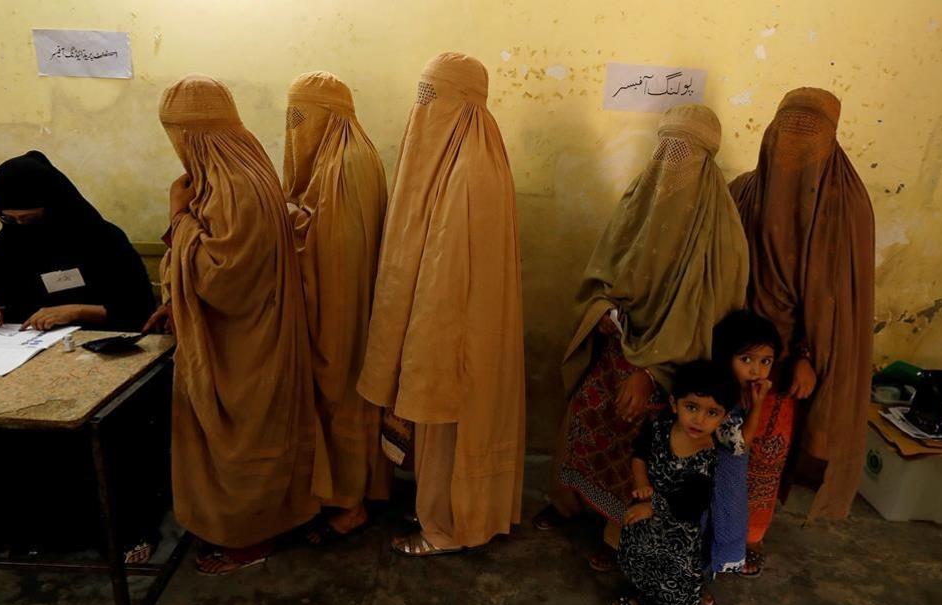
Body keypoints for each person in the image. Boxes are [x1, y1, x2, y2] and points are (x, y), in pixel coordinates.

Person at [0, 151, 165, 584]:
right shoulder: (6, 244)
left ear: (55, 206)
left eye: (30, 218)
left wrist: (75, 310)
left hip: (100, 354)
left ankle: (126, 527)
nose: (21, 228)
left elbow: (138, 308)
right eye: (11, 220)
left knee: (106, 418)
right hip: (21, 352)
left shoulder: (101, 238)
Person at [537, 104, 748, 569]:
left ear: (707, 160)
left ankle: (620, 537)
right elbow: (599, 280)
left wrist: (650, 372)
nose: (672, 162)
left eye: (685, 152)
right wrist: (606, 313)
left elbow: (712, 320)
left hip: (673, 377)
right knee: (585, 418)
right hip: (616, 351)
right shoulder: (637, 204)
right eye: (667, 147)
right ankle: (571, 505)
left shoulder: (723, 235)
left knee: (644, 446)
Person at [149, 75, 320, 574]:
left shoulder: (238, 187)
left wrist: (178, 218)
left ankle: (251, 536)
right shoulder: (237, 173)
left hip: (246, 348)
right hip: (244, 335)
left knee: (245, 440)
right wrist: (175, 301)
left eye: (178, 136)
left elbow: (224, 278)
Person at [356, 52, 525, 556]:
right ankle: (441, 509)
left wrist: (420, 345)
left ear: (463, 103)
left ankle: (448, 527)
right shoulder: (455, 159)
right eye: (421, 95)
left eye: (432, 96)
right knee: (442, 428)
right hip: (445, 326)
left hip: (455, 334)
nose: (421, 108)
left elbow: (447, 281)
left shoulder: (470, 170)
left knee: (453, 422)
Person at [729, 88, 875, 526]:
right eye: (787, 132)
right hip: (732, 352)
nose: (794, 148)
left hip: (793, 364)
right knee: (721, 443)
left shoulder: (848, 209)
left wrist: (806, 355)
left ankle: (751, 534)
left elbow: (839, 302)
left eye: (809, 137)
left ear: (832, 141)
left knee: (768, 452)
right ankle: (713, 531)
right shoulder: (741, 192)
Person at [281, 71, 391, 544]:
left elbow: (333, 253)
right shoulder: (348, 156)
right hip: (349, 305)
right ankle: (351, 492)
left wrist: (283, 224)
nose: (293, 127)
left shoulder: (344, 166)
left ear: (326, 116)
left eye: (300, 116)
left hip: (340, 311)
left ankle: (350, 502)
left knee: (340, 390)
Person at [607, 361, 737, 605]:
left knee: (669, 580)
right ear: (673, 403)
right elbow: (639, 454)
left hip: (675, 536)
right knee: (636, 558)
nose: (699, 419)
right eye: (692, 407)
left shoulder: (706, 456)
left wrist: (652, 507)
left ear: (723, 417)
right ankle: (641, 596)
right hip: (643, 519)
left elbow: (692, 503)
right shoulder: (658, 429)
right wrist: (641, 484)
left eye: (712, 413)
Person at [698, 310, 783, 605]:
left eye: (765, 362)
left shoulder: (740, 393)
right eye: (746, 359)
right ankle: (688, 590)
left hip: (725, 479)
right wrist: (758, 407)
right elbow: (739, 445)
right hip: (713, 479)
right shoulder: (724, 397)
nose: (756, 370)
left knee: (713, 529)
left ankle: (696, 585)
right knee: (702, 529)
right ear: (725, 356)